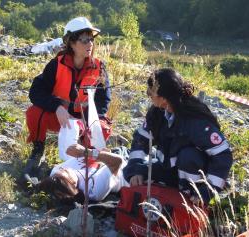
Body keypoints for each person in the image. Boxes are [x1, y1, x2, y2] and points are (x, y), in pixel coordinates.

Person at [123, 68, 233, 205]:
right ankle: (170, 194)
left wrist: (207, 191)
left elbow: (223, 155)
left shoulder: (195, 119)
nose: (148, 94)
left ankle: (190, 200)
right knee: (141, 172)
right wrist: (135, 171)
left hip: (195, 175)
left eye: (150, 91)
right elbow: (141, 141)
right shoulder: (156, 113)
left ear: (163, 97)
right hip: (170, 170)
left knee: (189, 156)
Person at [22, 17, 111, 181]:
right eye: (84, 40)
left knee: (103, 127)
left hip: (85, 120)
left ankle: (86, 161)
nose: (90, 44)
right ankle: (37, 152)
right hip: (61, 119)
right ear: (71, 43)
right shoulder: (56, 64)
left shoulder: (99, 67)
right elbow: (36, 92)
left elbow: (103, 102)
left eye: (91, 39)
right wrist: (56, 106)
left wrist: (90, 121)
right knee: (34, 113)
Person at [31, 144, 129, 202]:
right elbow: (118, 161)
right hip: (129, 166)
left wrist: (80, 150)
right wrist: (86, 152)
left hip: (109, 153)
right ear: (72, 184)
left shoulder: (56, 174)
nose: (64, 169)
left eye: (61, 170)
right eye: (65, 172)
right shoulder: (94, 189)